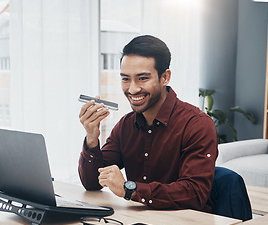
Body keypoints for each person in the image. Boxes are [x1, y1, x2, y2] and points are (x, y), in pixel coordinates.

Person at [78, 35, 217, 212]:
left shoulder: (197, 125)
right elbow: (92, 183)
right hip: (139, 223)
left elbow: (194, 194)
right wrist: (92, 137)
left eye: (142, 78)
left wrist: (131, 189)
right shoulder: (125, 125)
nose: (132, 89)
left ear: (165, 77)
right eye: (125, 79)